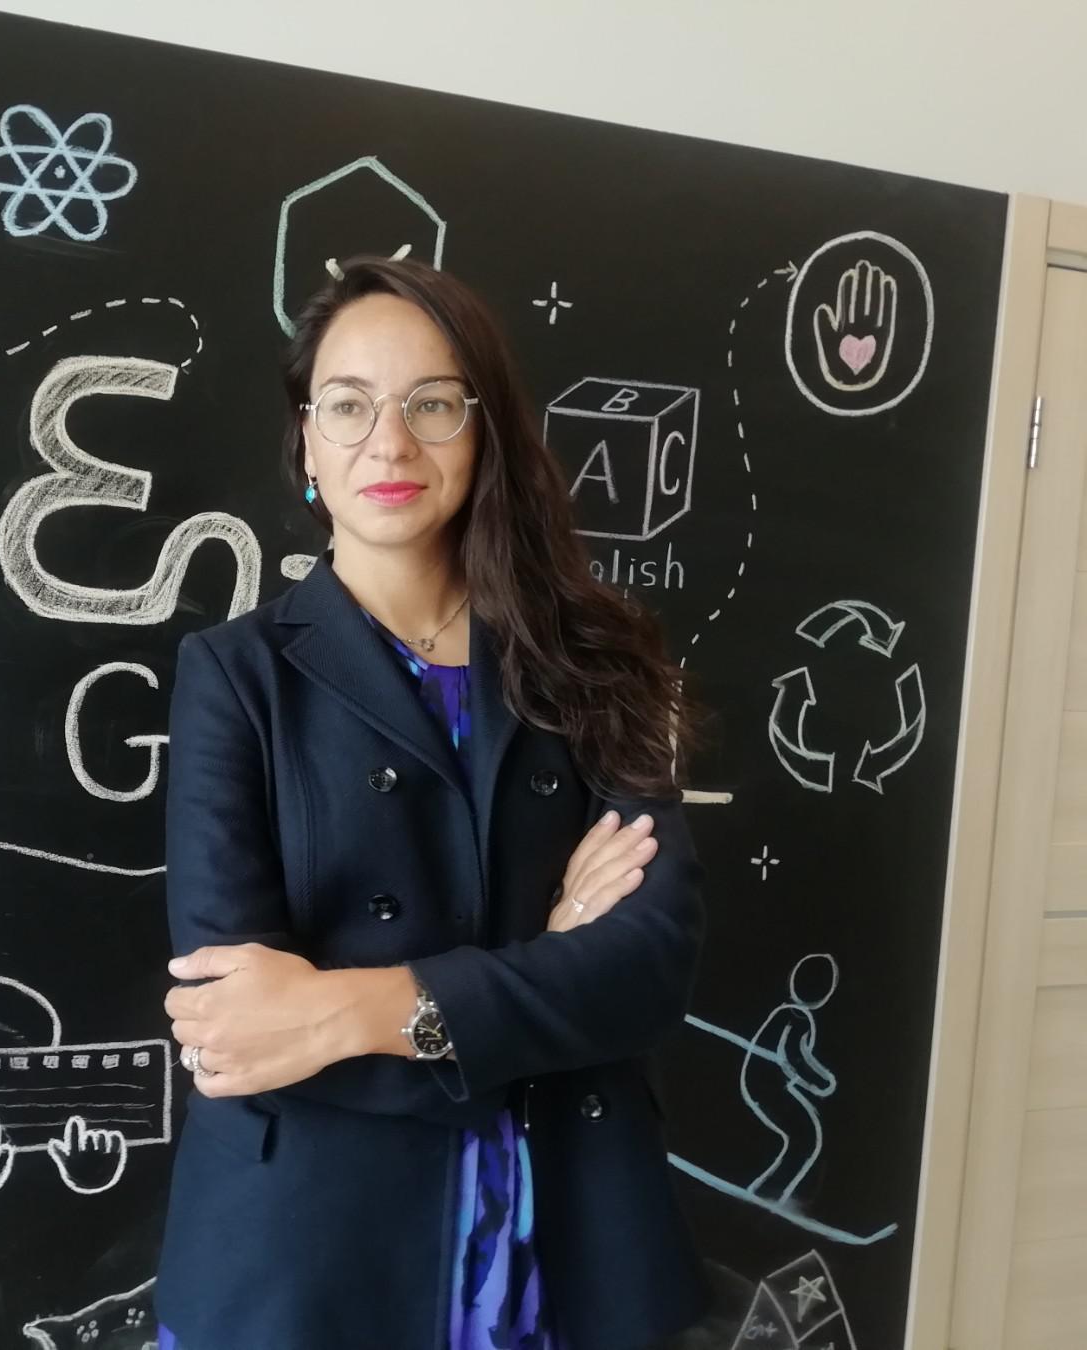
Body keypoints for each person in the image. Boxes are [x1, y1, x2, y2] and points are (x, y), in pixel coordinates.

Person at [152, 256, 713, 1350]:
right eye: (348, 405)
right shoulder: (234, 676)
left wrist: (348, 1011)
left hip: (569, 1233)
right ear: (307, 443)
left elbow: (647, 970)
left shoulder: (594, 659)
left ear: (484, 427)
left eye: (433, 404)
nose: (390, 443)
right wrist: (544, 963)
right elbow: (239, 1028)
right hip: (308, 1251)